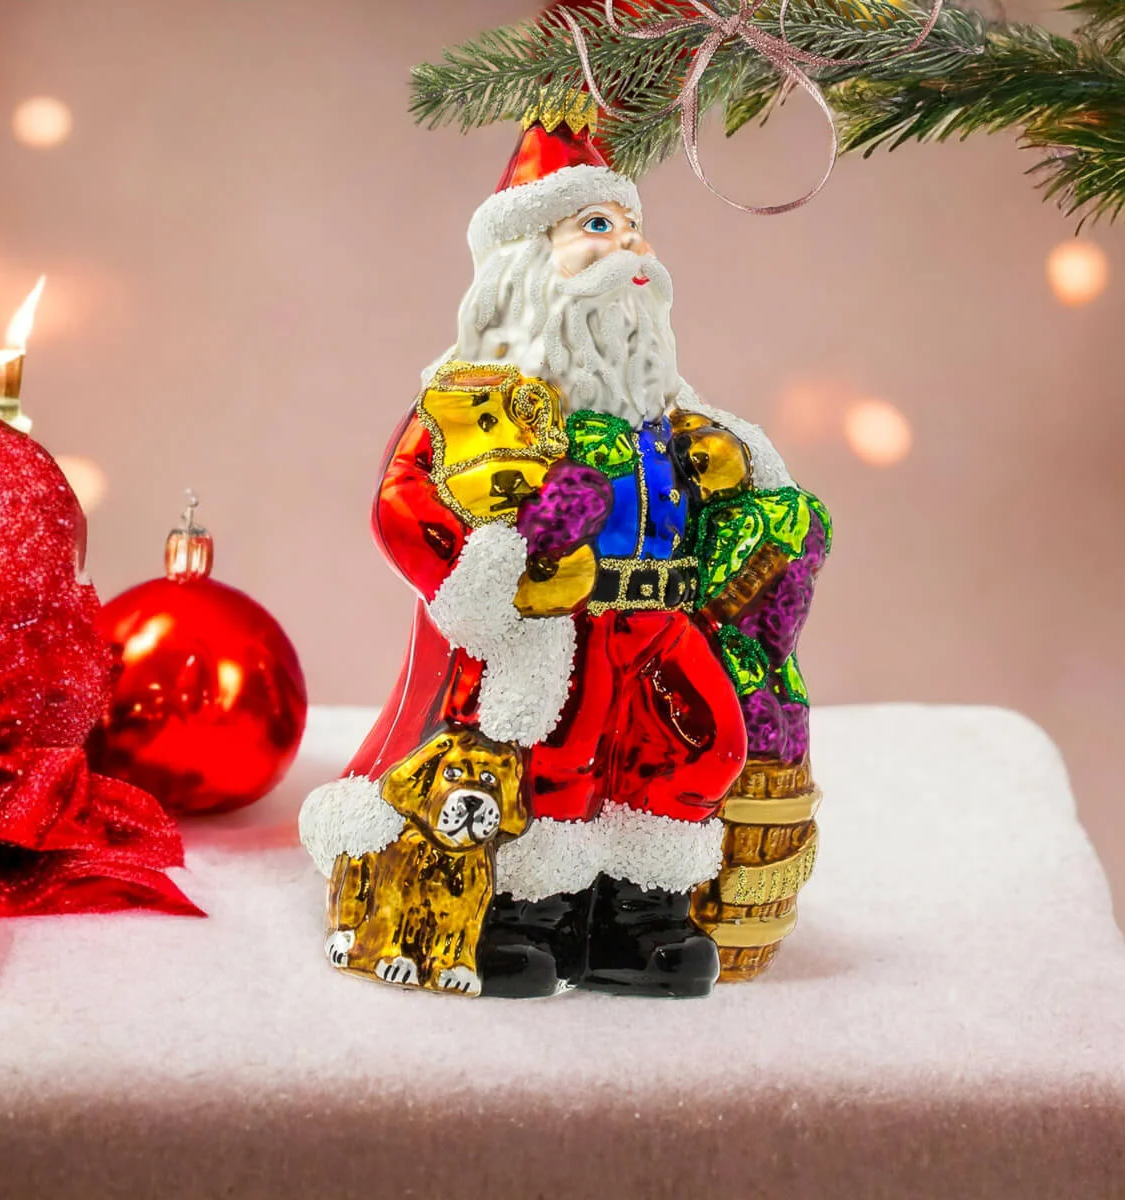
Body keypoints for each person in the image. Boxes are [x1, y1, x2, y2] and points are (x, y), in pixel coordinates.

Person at [301, 92, 802, 998]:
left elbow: (741, 487)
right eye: (598, 227)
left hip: (663, 617)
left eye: (634, 231)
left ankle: (643, 910)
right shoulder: (474, 402)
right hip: (558, 629)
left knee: (706, 743)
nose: (631, 252)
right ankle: (529, 911)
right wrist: (492, 563)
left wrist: (749, 485)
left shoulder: (665, 401)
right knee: (555, 764)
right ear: (528, 262)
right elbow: (404, 504)